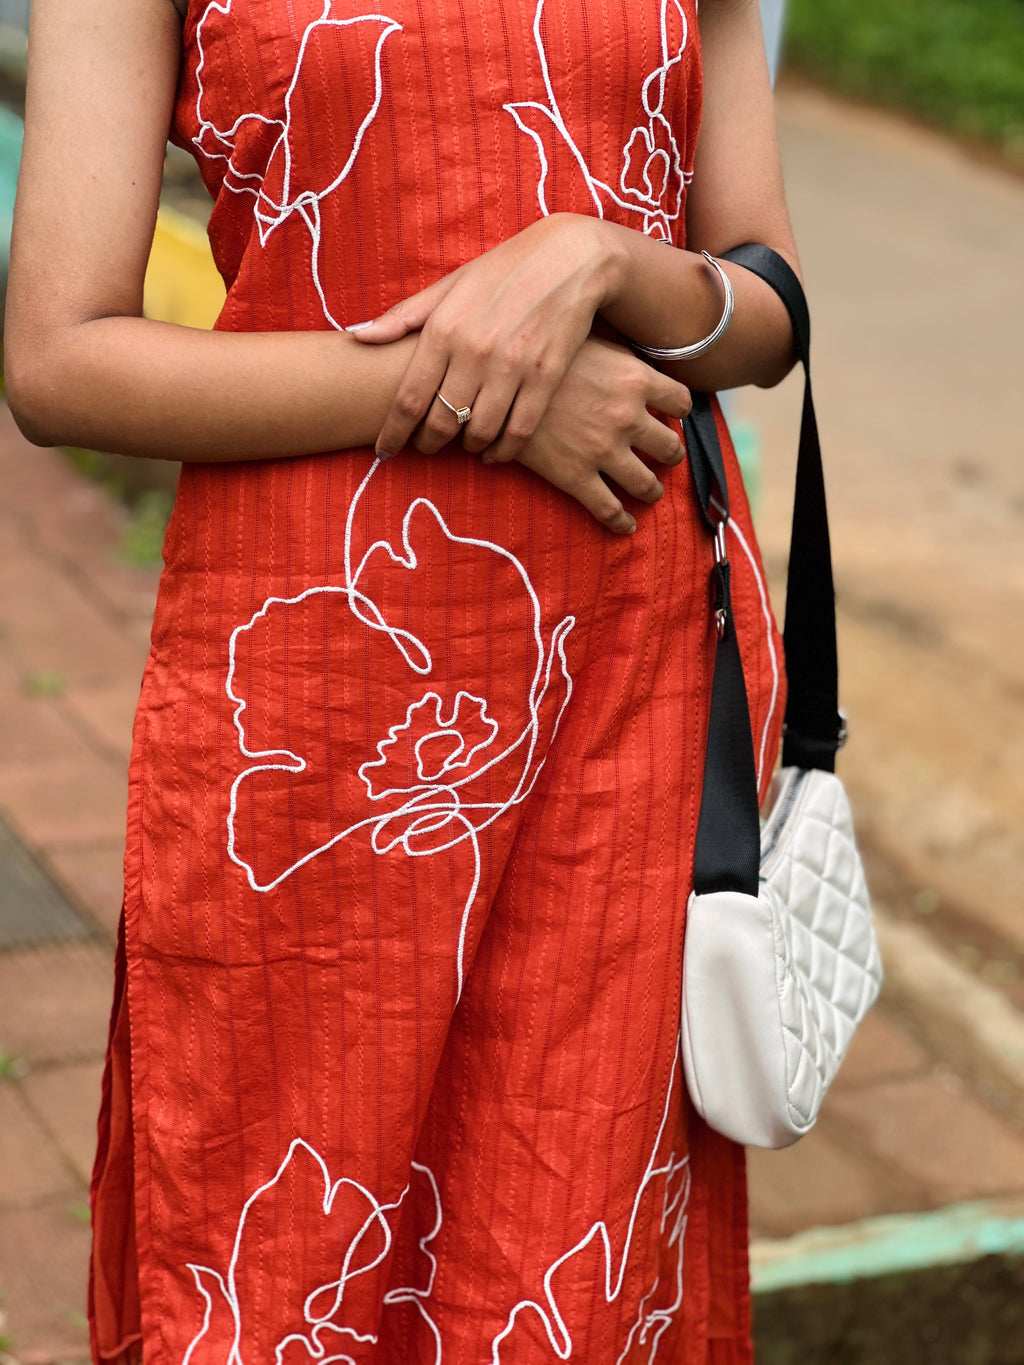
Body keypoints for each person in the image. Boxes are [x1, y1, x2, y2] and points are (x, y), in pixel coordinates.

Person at [5, 0, 799, 1359]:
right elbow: (58, 358)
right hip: (309, 695)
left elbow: (767, 310)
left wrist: (601, 262)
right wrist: (490, 389)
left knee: (568, 1246)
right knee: (281, 1254)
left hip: (618, 679)